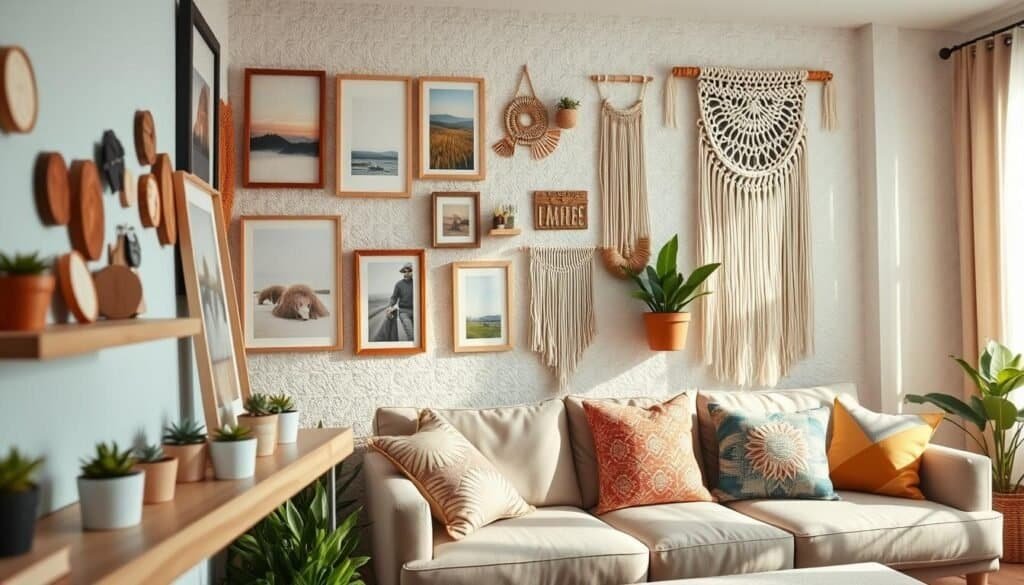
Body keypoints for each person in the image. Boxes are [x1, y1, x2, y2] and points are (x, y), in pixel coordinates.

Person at [385, 262, 415, 341]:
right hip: (404, 312)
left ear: (413, 272)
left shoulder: (417, 283)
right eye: (405, 271)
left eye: (409, 271)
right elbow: (394, 298)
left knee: (420, 336)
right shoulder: (399, 284)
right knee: (412, 336)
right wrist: (389, 307)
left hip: (417, 312)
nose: (406, 273)